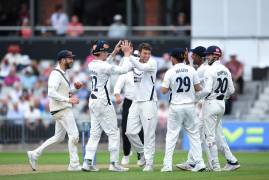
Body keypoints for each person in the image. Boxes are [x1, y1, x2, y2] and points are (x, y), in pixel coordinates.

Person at [27, 50, 83, 171]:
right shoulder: (55, 74)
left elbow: (64, 93)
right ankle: (74, 164)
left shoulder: (62, 73)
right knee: (74, 136)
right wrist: (68, 100)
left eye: (72, 58)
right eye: (69, 58)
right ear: (62, 60)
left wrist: (75, 89)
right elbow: (51, 93)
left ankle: (34, 153)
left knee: (59, 137)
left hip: (61, 108)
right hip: (62, 109)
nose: (72, 60)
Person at [82, 40, 132, 172]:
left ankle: (87, 162)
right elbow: (124, 70)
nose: (107, 53)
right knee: (114, 133)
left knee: (94, 134)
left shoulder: (92, 64)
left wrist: (115, 52)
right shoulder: (104, 67)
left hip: (93, 101)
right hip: (103, 101)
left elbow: (105, 61)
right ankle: (114, 163)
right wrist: (126, 55)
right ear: (100, 52)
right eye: (105, 51)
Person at [160, 48, 206, 172]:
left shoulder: (170, 71)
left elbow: (163, 91)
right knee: (194, 135)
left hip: (176, 106)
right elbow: (198, 88)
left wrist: (170, 86)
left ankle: (167, 165)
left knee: (171, 136)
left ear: (173, 58)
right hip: (190, 106)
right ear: (183, 57)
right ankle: (200, 163)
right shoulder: (191, 70)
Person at [198, 46, 240, 171]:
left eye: (208, 55)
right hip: (221, 104)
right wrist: (222, 96)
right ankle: (229, 161)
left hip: (210, 104)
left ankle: (215, 166)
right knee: (216, 134)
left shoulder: (210, 70)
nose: (207, 57)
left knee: (209, 136)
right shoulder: (226, 70)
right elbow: (231, 90)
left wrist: (196, 97)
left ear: (215, 56)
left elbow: (207, 90)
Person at [125, 43, 158, 172]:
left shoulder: (152, 63)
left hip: (149, 102)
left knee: (149, 135)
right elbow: (123, 67)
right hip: (136, 101)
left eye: (148, 53)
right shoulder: (134, 61)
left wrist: (129, 55)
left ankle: (149, 163)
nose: (147, 56)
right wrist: (124, 54)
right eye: (144, 53)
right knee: (130, 132)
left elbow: (140, 66)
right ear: (139, 53)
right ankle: (143, 153)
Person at [113, 51, 144, 165]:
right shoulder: (126, 73)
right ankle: (126, 154)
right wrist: (117, 96)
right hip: (128, 102)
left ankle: (141, 155)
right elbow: (117, 87)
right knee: (125, 129)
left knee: (140, 130)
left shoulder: (143, 71)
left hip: (141, 102)